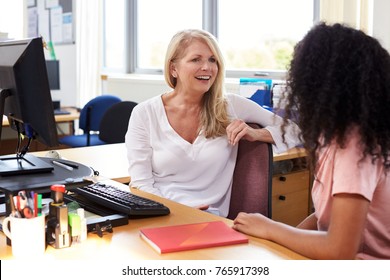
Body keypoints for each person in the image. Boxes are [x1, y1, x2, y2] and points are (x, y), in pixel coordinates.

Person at [233, 22, 390, 259]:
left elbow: (340, 249)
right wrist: (280, 243)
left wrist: (270, 228)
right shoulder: (333, 137)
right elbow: (324, 216)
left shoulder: (353, 146)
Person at [125, 29, 301, 217]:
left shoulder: (230, 106)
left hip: (211, 220)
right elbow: (141, 184)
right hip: (161, 215)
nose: (207, 67)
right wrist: (175, 212)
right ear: (173, 68)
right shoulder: (144, 113)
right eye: (196, 59)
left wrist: (256, 134)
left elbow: (296, 131)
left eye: (212, 60)